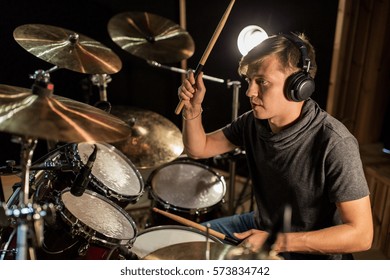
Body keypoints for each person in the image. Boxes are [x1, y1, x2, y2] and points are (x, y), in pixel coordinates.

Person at [177, 32, 373, 260]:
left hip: (310, 255)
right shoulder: (253, 122)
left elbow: (361, 235)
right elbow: (199, 148)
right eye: (249, 81)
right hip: (261, 225)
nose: (250, 92)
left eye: (262, 82)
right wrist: (192, 111)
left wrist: (276, 241)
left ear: (300, 86)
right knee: (185, 245)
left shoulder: (335, 142)